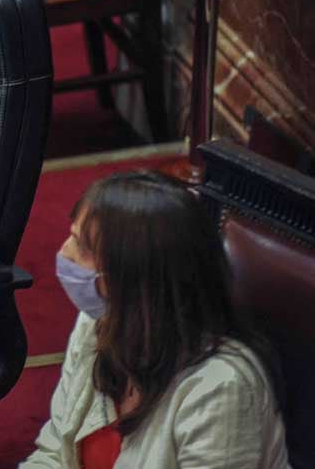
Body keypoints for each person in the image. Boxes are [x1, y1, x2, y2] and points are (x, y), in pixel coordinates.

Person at [22, 171, 290, 469]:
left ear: (135, 277)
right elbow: (54, 451)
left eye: (82, 248)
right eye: (72, 237)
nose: (64, 253)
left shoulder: (220, 388)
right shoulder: (95, 325)